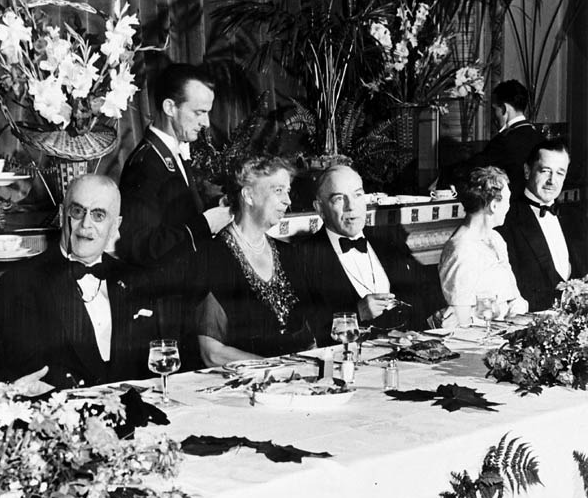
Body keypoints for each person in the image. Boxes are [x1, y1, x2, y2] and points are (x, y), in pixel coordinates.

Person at [0, 174, 158, 389]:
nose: (85, 225)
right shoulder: (20, 282)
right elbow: (27, 371)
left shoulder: (135, 278)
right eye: (77, 212)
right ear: (61, 215)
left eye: (98, 215)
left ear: (116, 225)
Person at [117, 63, 233, 351]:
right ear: (170, 106)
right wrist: (205, 224)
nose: (206, 122)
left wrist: (209, 210)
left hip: (182, 302)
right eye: (199, 112)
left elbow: (172, 218)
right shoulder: (145, 164)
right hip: (161, 312)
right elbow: (140, 246)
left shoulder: (170, 154)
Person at [298, 165, 435, 346]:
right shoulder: (304, 256)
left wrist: (436, 317)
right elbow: (306, 335)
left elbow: (418, 302)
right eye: (339, 198)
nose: (351, 206)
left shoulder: (388, 242)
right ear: (320, 208)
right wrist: (357, 313)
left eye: (357, 195)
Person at [195, 156, 313, 366]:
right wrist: (277, 369)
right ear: (248, 195)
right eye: (278, 191)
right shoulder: (212, 257)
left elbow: (308, 338)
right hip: (240, 387)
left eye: (287, 191)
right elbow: (212, 353)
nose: (288, 200)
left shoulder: (289, 254)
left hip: (297, 382)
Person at [498, 141, 588, 311]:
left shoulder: (576, 218)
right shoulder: (507, 221)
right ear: (527, 171)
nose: (552, 181)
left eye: (560, 173)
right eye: (545, 171)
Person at [438, 166, 528, 326]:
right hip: (478, 339)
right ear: (493, 205)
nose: (508, 207)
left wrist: (517, 317)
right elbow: (460, 320)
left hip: (507, 330)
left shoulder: (496, 239)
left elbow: (514, 297)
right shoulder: (461, 249)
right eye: (507, 201)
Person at [450, 79, 542, 196]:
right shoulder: (540, 137)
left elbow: (471, 169)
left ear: (504, 108)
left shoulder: (504, 141)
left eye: (494, 109)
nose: (494, 116)